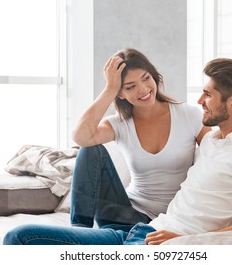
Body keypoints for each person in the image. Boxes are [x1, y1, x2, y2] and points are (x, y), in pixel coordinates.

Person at [3, 57, 232, 245]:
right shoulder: (216, 140)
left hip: (164, 241)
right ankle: (81, 228)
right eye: (129, 86)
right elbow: (83, 136)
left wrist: (189, 241)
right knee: (20, 236)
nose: (200, 100)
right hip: (141, 230)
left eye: (208, 94)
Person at [69, 48, 210, 229]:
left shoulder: (189, 115)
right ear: (120, 94)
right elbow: (81, 138)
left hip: (175, 218)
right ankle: (80, 232)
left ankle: (116, 237)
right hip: (128, 214)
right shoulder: (120, 124)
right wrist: (109, 89)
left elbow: (216, 156)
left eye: (146, 78)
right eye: (130, 87)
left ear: (154, 77)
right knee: (90, 149)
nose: (143, 89)